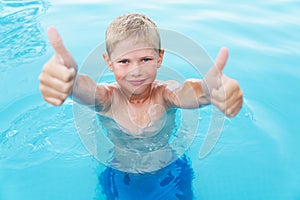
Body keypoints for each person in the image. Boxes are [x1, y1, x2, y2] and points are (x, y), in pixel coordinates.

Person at [39, 13, 243, 199]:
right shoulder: (107, 99)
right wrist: (70, 81)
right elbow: (85, 89)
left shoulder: (164, 94)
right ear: (109, 62)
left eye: (145, 59)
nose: (135, 71)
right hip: (121, 175)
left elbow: (191, 93)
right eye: (124, 61)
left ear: (160, 58)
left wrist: (210, 91)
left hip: (170, 171)